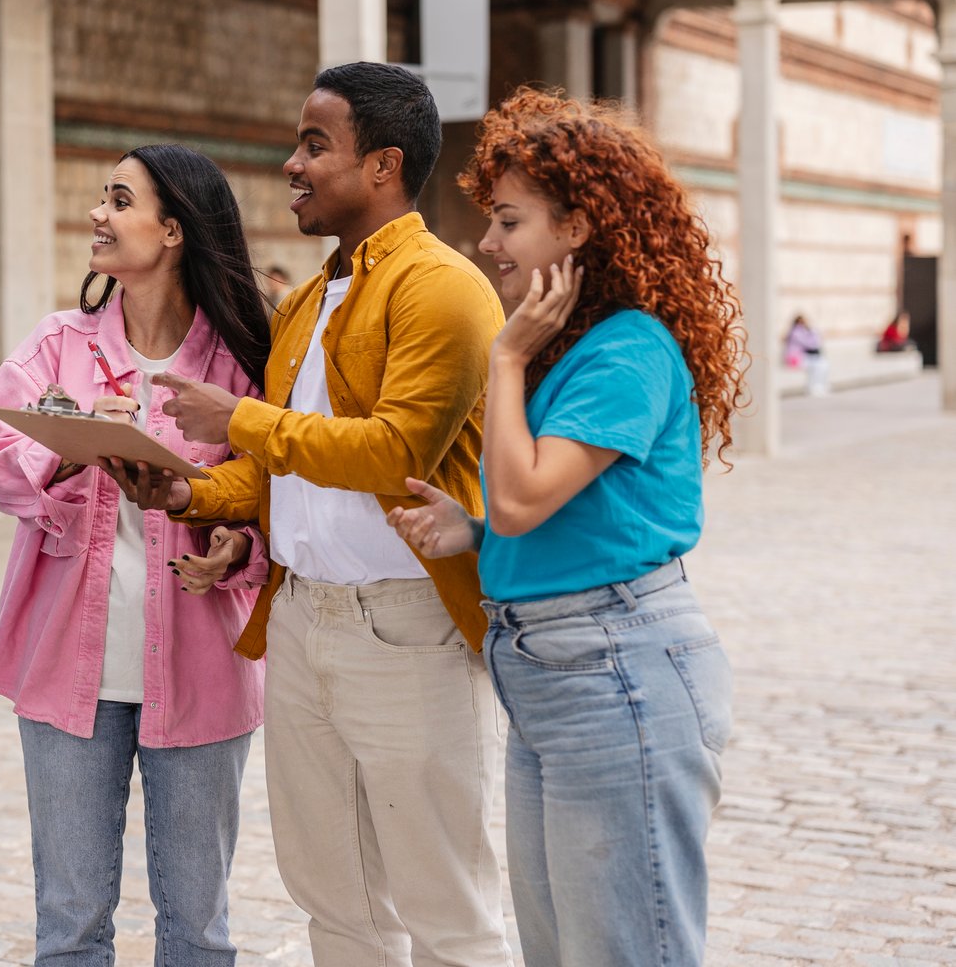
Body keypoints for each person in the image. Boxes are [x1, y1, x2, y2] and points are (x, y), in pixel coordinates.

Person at [117, 64, 512, 967]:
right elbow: (277, 474)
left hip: (404, 623)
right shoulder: (306, 300)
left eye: (314, 145)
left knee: (442, 898)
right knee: (332, 899)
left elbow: (393, 451)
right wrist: (191, 493)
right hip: (299, 622)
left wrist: (238, 420)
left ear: (382, 165)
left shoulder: (441, 288)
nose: (291, 164)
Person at [387, 87, 744, 967]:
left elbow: (522, 497)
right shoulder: (577, 348)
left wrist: (505, 357)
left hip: (614, 670)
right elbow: (561, 514)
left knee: (626, 952)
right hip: (555, 670)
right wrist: (471, 536)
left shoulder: (627, 348)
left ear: (577, 227)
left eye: (509, 220)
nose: (488, 242)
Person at [0, 144, 272, 966]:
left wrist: (236, 544)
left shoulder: (241, 361)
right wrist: (72, 452)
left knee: (198, 930)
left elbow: (279, 489)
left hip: (205, 669)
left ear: (173, 229)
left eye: (119, 199)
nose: (98, 214)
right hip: (69, 666)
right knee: (70, 925)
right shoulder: (58, 343)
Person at [784, 313, 830, 395]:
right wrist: (813, 332)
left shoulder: (803, 332)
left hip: (801, 356)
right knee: (817, 365)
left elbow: (815, 343)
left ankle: (818, 387)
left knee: (821, 364)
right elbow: (810, 344)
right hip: (795, 359)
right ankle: (815, 388)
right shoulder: (796, 332)